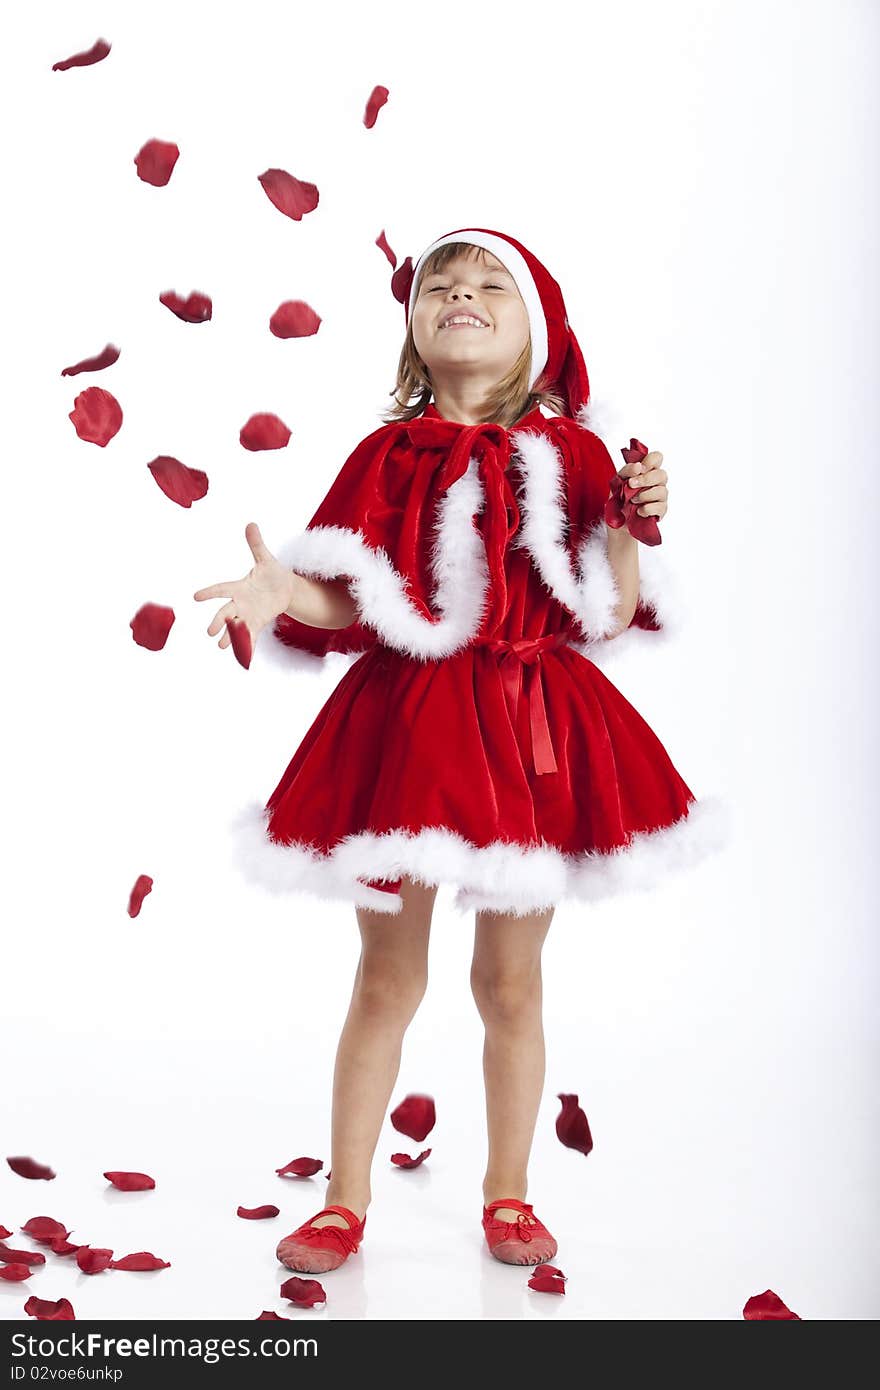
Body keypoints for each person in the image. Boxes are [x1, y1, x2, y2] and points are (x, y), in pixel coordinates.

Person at [193, 227, 726, 1275]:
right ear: (414, 325)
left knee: (511, 985)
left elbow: (608, 611)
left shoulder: (575, 454)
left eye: (491, 285)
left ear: (539, 330)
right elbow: (347, 593)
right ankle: (346, 1201)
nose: (461, 295)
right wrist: (277, 589)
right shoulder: (384, 453)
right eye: (441, 284)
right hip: (405, 728)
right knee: (386, 979)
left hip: (531, 727)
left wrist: (626, 526)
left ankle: (508, 1193)